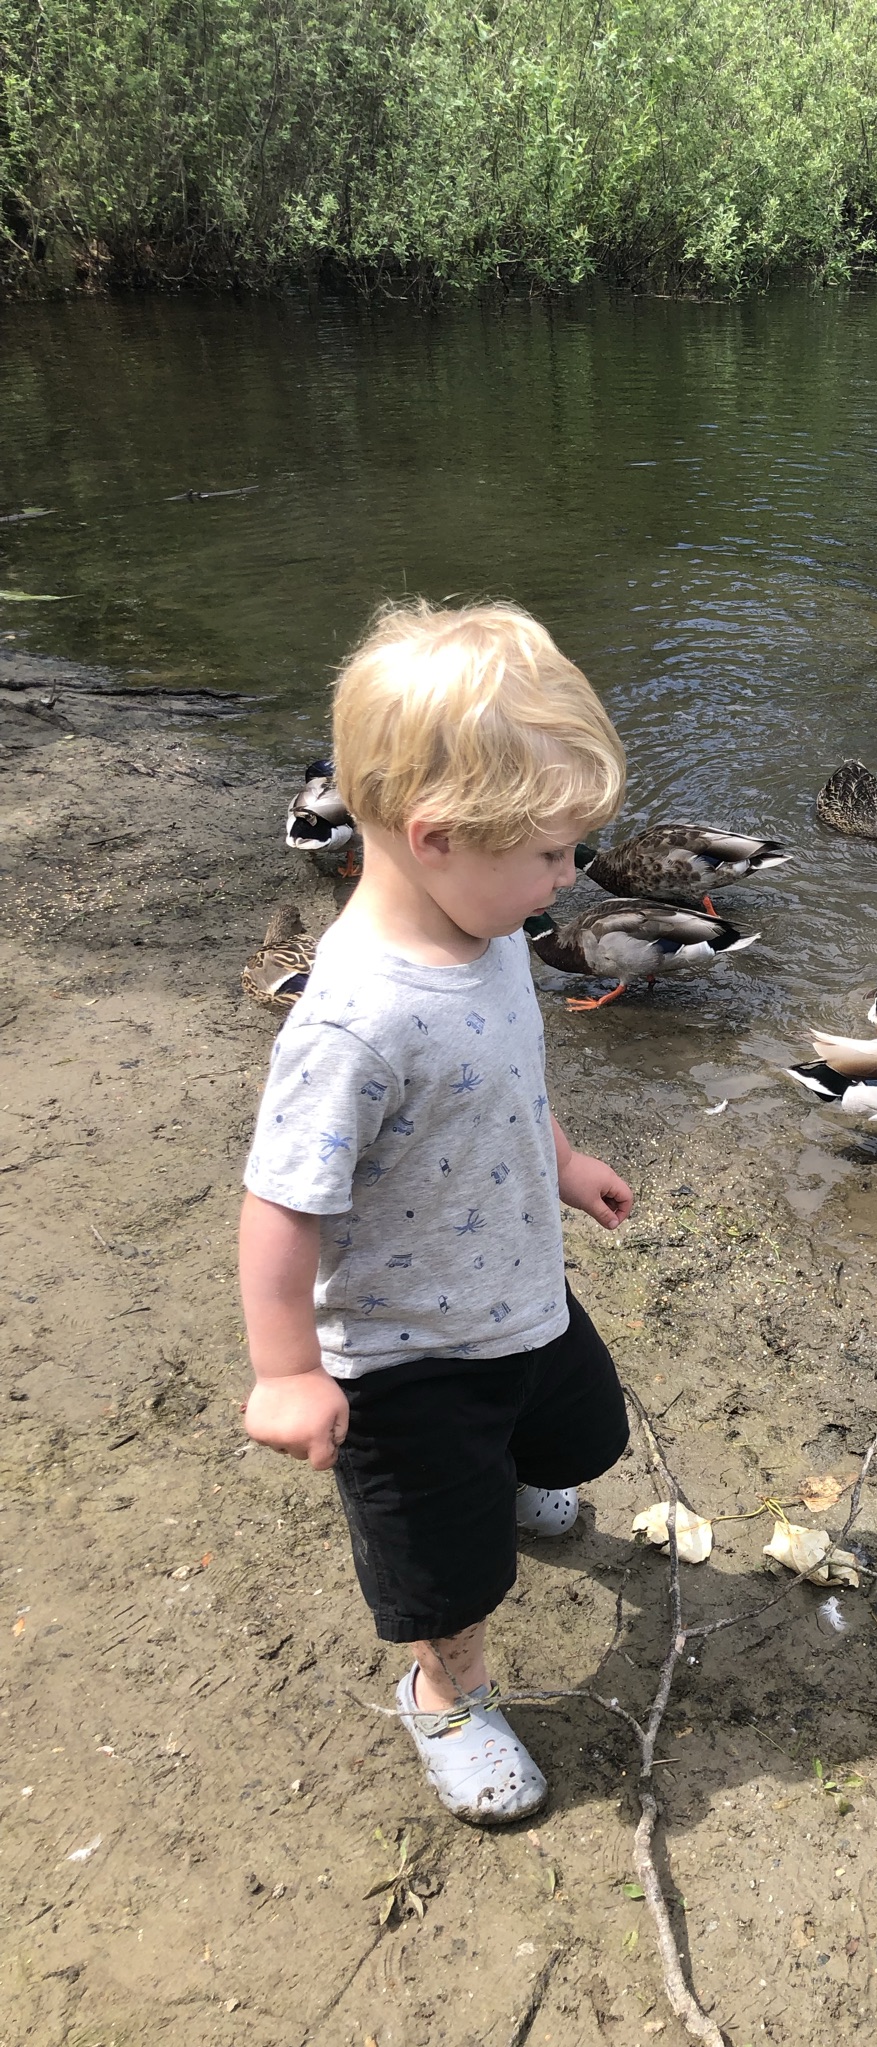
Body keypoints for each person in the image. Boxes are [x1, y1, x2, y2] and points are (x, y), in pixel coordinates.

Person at [239, 600, 634, 1824]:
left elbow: (513, 1072)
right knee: (450, 1575)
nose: (571, 877)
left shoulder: (491, 927)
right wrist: (287, 1371)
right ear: (437, 837)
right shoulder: (355, 1021)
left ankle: (507, 1473)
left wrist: (560, 1158)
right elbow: (279, 1202)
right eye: (554, 853)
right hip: (407, 1353)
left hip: (516, 1285)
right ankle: (445, 1693)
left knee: (585, 1432)